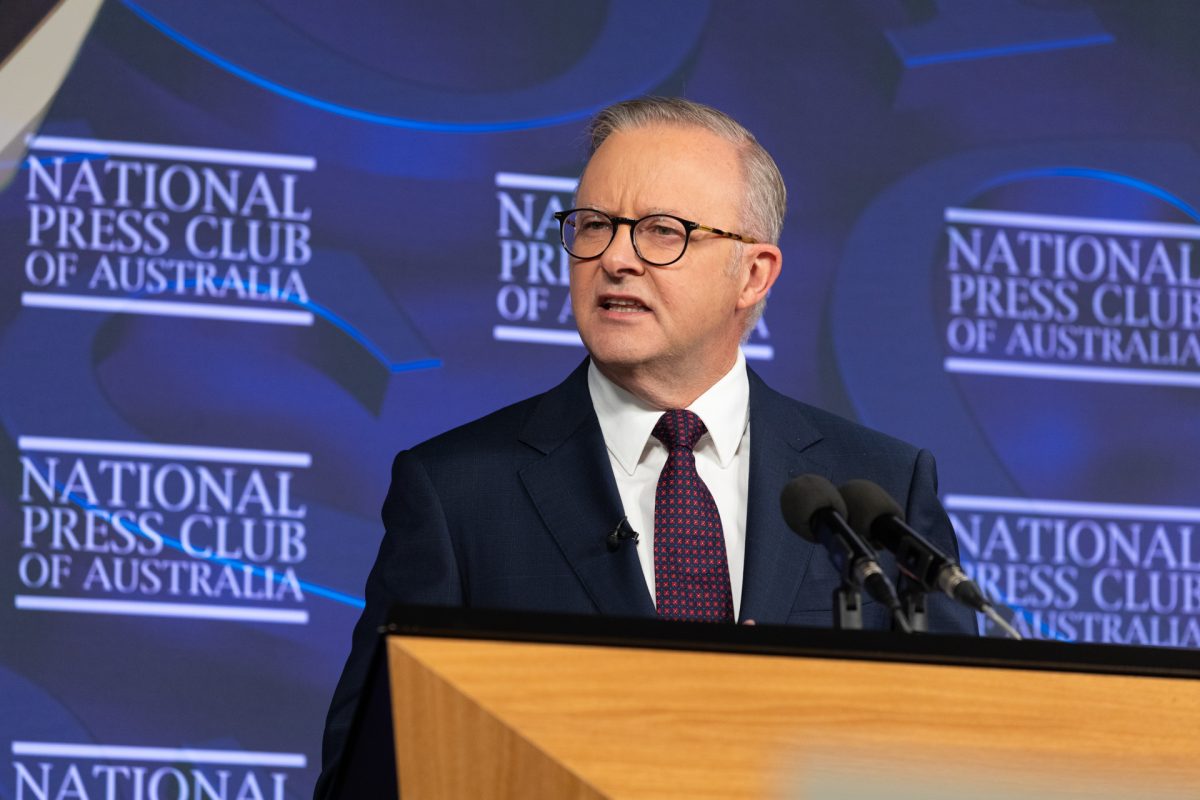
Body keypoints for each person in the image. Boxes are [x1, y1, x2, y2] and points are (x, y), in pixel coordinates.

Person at [314, 97, 976, 796]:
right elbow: (365, 783)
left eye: (663, 231)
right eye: (594, 226)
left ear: (753, 274)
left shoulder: (873, 492)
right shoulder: (458, 495)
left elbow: (969, 759)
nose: (616, 258)